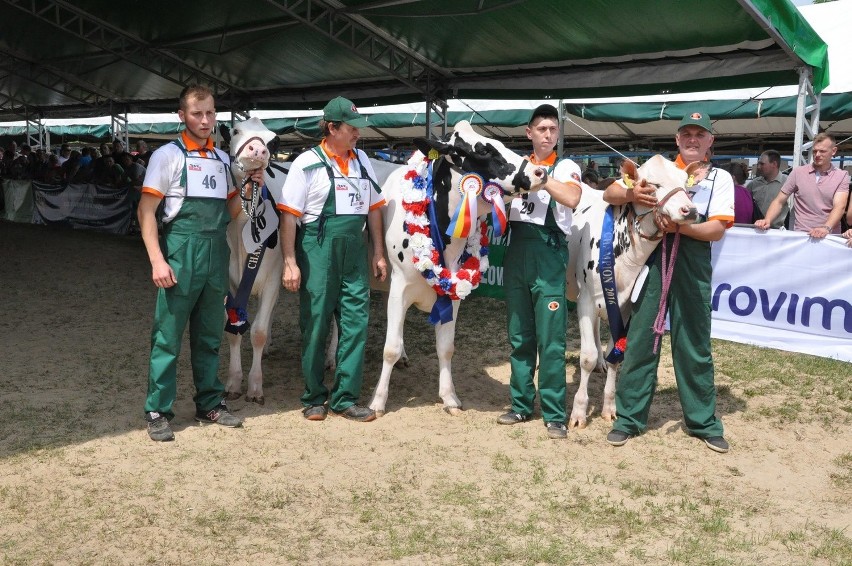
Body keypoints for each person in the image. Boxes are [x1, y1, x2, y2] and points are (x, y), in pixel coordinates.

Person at [603, 110, 734, 453]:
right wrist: (633, 196)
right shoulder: (657, 168)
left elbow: (717, 229)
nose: (693, 139)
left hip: (692, 264)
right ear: (677, 139)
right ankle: (629, 419)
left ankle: (703, 422)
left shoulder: (719, 178)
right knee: (642, 337)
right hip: (654, 261)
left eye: (699, 134)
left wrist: (680, 227)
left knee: (693, 344)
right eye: (686, 134)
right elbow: (610, 194)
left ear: (710, 141)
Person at [137, 84, 262, 442]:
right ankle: (158, 409)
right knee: (168, 336)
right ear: (182, 115)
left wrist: (250, 186)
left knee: (210, 334)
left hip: (215, 252)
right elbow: (146, 212)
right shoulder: (167, 156)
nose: (205, 120)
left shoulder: (224, 161)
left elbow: (233, 212)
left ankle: (210, 402)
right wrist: (157, 260)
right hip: (181, 251)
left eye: (210, 113)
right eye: (197, 113)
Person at [279, 96, 387, 423]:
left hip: (355, 249)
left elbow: (375, 207)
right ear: (332, 128)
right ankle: (314, 396)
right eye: (352, 129)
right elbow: (288, 218)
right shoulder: (305, 164)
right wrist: (289, 261)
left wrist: (378, 252)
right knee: (315, 324)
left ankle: (345, 398)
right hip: (318, 248)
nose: (358, 134)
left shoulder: (363, 161)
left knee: (356, 324)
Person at [497, 104, 582, 440]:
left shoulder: (565, 166)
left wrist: (542, 179)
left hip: (548, 252)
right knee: (519, 335)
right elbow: (499, 203)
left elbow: (573, 197)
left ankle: (554, 412)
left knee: (551, 339)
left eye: (553, 129)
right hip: (516, 250)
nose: (548, 135)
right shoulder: (515, 167)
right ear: (528, 133)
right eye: (542, 129)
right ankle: (520, 404)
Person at [755, 133, 850, 238]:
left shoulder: (842, 176)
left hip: (828, 237)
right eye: (814, 151)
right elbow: (779, 201)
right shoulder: (798, 172)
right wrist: (767, 220)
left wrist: (826, 228)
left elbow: (839, 206)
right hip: (800, 236)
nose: (817, 154)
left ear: (834, 151)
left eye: (822, 151)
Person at [747, 150, 788, 228]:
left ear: (774, 164)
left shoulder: (787, 182)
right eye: (758, 164)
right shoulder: (753, 184)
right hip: (755, 230)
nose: (758, 167)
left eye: (762, 164)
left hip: (776, 232)